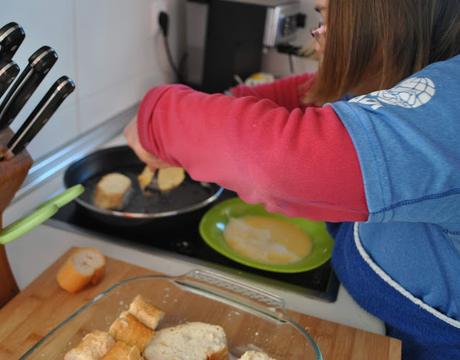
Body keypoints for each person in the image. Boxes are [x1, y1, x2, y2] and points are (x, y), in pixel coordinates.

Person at [124, 0, 460, 358]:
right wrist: (228, 102)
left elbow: (291, 161)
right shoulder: (408, 74)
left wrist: (160, 115)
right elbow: (320, 91)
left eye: (325, 17)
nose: (318, 34)